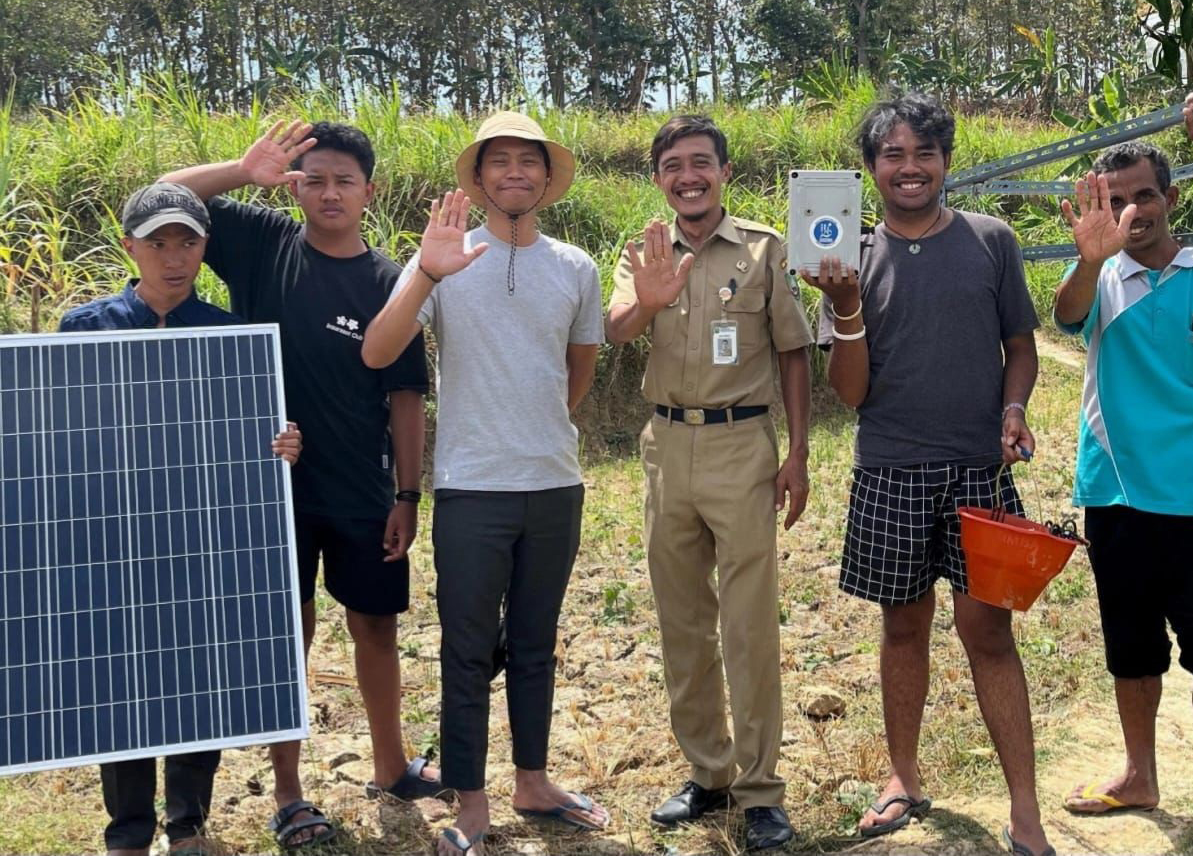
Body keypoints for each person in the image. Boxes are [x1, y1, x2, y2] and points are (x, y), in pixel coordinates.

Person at [159, 122, 437, 848]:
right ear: (294, 187)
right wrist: (241, 169)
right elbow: (162, 197)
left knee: (376, 626)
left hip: (361, 488)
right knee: (290, 633)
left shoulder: (390, 281)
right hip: (267, 485)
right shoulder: (261, 241)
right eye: (314, 179)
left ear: (370, 191)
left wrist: (408, 494)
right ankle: (288, 790)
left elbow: (406, 397)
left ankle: (391, 765)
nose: (329, 193)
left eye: (345, 180)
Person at [807, 93, 1052, 855]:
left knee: (990, 633)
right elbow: (850, 393)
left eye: (924, 153)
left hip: (979, 470)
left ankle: (1025, 809)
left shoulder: (991, 240)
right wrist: (845, 306)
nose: (910, 167)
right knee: (902, 626)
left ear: (946, 161)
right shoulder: (845, 259)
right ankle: (903, 775)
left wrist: (1013, 408)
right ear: (870, 168)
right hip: (889, 471)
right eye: (893, 154)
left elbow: (1020, 346)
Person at [362, 111, 608, 856]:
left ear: (546, 177)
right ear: (478, 178)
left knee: (534, 642)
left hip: (554, 483)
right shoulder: (446, 258)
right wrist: (428, 271)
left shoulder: (575, 267)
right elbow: (378, 350)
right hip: (471, 488)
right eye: (498, 161)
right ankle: (471, 800)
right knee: (468, 648)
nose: (514, 173)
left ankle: (533, 780)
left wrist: (534, 425)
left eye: (527, 161)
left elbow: (578, 371)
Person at [59, 181, 302, 856]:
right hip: (111, 535)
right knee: (121, 682)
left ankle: (188, 824)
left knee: (198, 673)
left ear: (204, 248)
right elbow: (61, 438)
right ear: (129, 246)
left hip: (201, 536)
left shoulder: (232, 335)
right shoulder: (85, 328)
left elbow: (252, 443)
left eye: (187, 242)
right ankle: (128, 832)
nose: (173, 257)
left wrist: (282, 444)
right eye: (158, 243)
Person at [1054, 90, 1193, 856]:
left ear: (1171, 200)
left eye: (1144, 195)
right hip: (1119, 498)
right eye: (1116, 200)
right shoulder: (1099, 280)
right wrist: (1089, 256)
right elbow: (1065, 313)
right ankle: (1139, 773)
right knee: (1131, 650)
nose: (1132, 211)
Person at [604, 114, 812, 851]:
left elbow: (793, 351)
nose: (688, 177)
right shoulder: (643, 251)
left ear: (724, 172)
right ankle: (709, 772)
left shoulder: (763, 249)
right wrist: (648, 297)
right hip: (666, 446)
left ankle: (760, 791)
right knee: (682, 620)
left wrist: (798, 454)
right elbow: (617, 328)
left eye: (701, 163)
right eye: (673, 166)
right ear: (658, 178)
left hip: (741, 445)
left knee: (748, 624)